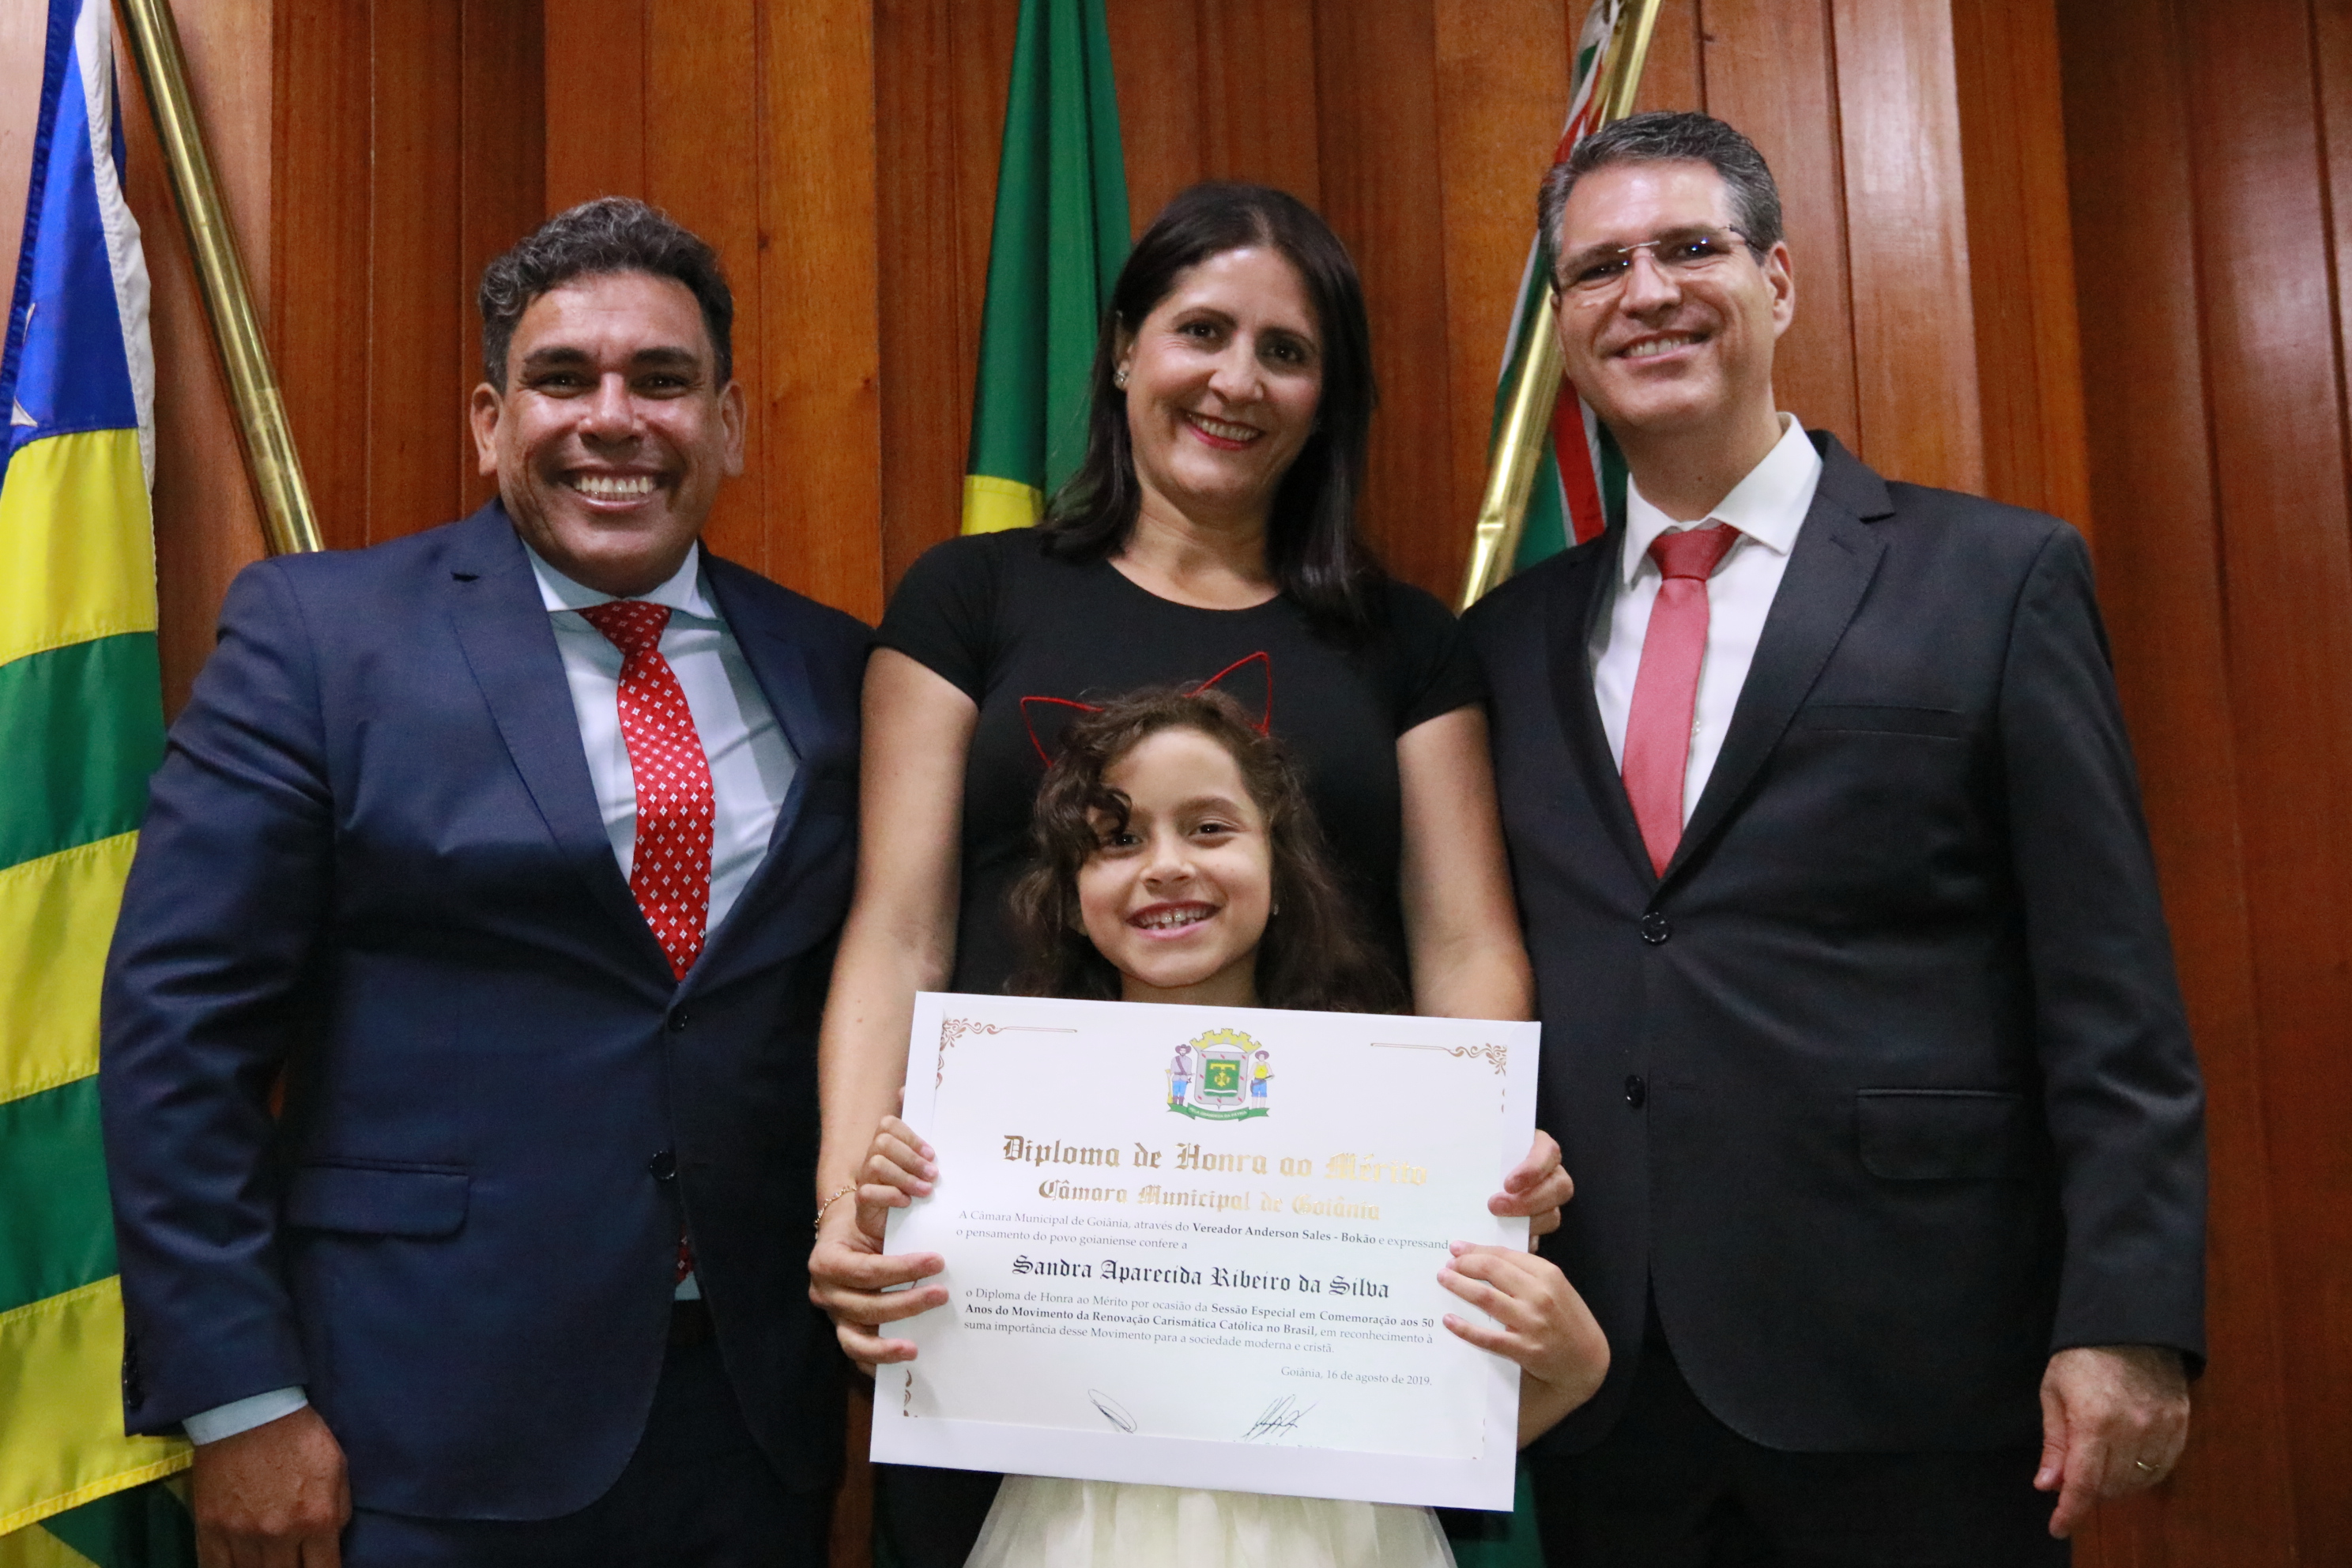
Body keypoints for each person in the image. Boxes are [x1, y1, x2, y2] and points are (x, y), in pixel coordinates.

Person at [1462, 111, 2207, 1563]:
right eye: (1600, 268)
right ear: (1565, 326)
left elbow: (2109, 983)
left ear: (1781, 280)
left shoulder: (1996, 578)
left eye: (1691, 248)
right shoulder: (1504, 642)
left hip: (1917, 1361)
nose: (1647, 293)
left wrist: (2128, 1315)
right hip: (1611, 1382)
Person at [99, 198, 869, 1567]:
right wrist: (241, 1399)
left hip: (749, 1426)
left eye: (662, 380)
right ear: (489, 421)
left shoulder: (838, 669)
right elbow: (178, 1035)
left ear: (730, 424)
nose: (613, 419)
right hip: (410, 1430)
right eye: (563, 378)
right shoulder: (320, 639)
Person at [806, 182, 1563, 1566]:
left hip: (1310, 1293)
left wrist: (1474, 1176)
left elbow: (1464, 945)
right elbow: (898, 928)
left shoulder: (1406, 641)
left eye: (1287, 350)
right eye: (1201, 330)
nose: (1237, 380)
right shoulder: (968, 598)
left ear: (1328, 397)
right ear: (1122, 351)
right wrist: (842, 1209)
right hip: (1007, 1283)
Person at [850, 688, 1611, 1568]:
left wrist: (1573, 1358)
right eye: (1118, 838)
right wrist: (896, 1239)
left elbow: (1444, 1429)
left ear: (1281, 869)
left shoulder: (1401, 1112)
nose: (1167, 865)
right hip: (1074, 1537)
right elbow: (924, 1369)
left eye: (1209, 828)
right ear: (1070, 896)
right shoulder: (986, 1108)